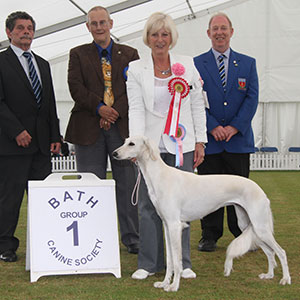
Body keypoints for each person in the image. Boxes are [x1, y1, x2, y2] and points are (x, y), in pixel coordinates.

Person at [127, 12, 207, 280]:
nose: (159, 39)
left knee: (179, 205)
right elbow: (136, 108)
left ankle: (182, 263)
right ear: (147, 38)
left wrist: (200, 140)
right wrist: (135, 145)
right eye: (154, 34)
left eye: (164, 34)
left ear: (171, 38)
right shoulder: (136, 69)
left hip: (181, 143)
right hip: (150, 147)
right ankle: (148, 263)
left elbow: (197, 103)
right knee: (149, 206)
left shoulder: (188, 65)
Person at [65, 6, 139, 254]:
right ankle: (90, 236)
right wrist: (99, 108)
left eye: (102, 22)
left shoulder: (130, 53)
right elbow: (75, 87)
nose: (99, 27)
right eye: (94, 23)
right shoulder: (77, 54)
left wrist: (113, 111)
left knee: (127, 185)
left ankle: (132, 238)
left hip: (122, 129)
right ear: (88, 27)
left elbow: (136, 88)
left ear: (111, 23)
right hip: (88, 128)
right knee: (90, 186)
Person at [193, 12, 259, 252]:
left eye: (223, 28)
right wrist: (212, 126)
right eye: (215, 28)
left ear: (232, 31)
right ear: (208, 33)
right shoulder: (196, 64)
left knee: (239, 192)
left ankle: (242, 234)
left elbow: (252, 99)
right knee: (208, 193)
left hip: (237, 141)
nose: (219, 32)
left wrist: (233, 127)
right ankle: (209, 235)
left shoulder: (248, 63)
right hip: (210, 142)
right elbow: (194, 100)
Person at [0, 11, 61, 262]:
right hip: (12, 146)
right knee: (9, 199)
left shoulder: (43, 64)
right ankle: (5, 246)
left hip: (42, 147)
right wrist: (16, 131)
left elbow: (50, 104)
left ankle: (45, 244)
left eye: (30, 28)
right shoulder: (1, 62)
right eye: (21, 28)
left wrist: (56, 135)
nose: (26, 32)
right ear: (9, 33)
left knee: (44, 200)